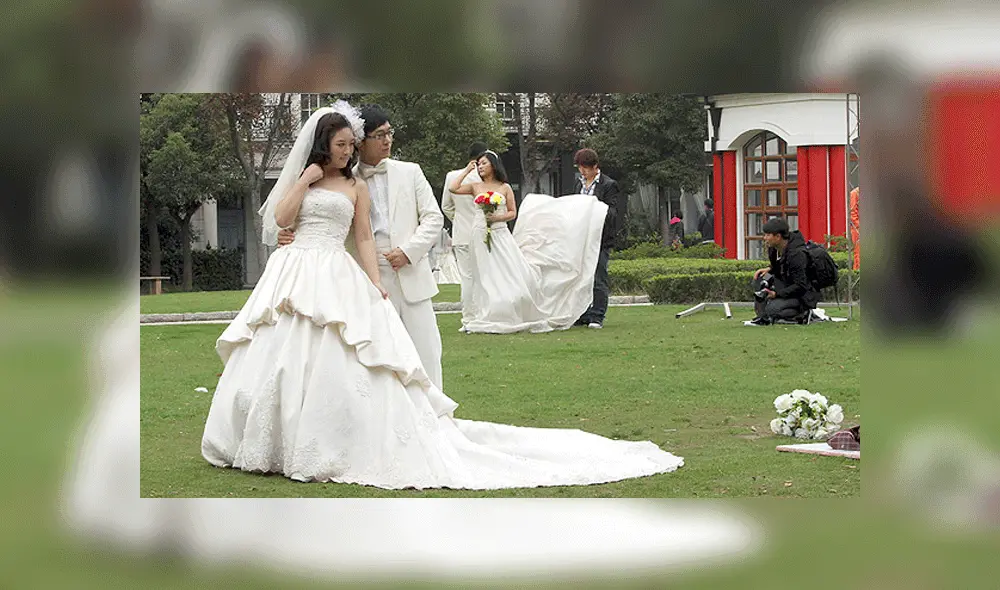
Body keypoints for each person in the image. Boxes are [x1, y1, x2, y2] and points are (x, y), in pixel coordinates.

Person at [201, 103, 684, 488]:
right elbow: (287, 221)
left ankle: (428, 426)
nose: (377, 145)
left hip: (394, 275)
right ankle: (315, 432)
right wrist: (299, 227)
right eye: (371, 138)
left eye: (376, 138)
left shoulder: (404, 173)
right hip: (328, 276)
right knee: (316, 361)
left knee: (419, 359)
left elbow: (430, 219)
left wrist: (406, 254)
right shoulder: (323, 178)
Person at [276, 104, 445, 390]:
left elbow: (433, 217)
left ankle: (436, 419)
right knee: (373, 357)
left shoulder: (410, 172)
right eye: (379, 135)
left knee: (426, 353)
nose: (387, 141)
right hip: (360, 276)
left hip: (410, 272)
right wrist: (289, 233)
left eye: (389, 133)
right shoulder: (341, 177)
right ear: (360, 142)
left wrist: (408, 251)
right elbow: (326, 225)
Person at [447, 150, 609, 334]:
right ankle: (485, 312)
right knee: (482, 273)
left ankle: (508, 308)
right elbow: (453, 188)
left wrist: (496, 218)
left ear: (493, 165)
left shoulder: (505, 188)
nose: (480, 167)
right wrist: (467, 171)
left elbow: (511, 213)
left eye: (484, 163)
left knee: (505, 270)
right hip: (479, 233)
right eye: (479, 164)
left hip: (499, 233)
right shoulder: (475, 186)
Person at [571, 148, 622, 329]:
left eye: (585, 167)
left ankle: (597, 315)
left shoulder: (608, 185)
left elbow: (613, 212)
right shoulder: (579, 184)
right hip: (582, 238)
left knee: (599, 276)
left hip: (600, 238)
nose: (582, 171)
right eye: (580, 168)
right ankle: (583, 313)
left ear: (595, 166)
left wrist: (594, 209)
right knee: (581, 276)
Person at [441, 142, 486, 332]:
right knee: (481, 277)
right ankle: (481, 315)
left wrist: (458, 219)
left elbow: (446, 206)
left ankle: (468, 319)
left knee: (467, 278)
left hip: (462, 233)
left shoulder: (453, 177)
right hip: (482, 232)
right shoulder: (485, 178)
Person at [748, 217, 820, 326]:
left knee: (773, 309)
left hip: (802, 295)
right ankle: (762, 317)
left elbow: (801, 285)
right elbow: (781, 266)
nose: (764, 238)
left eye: (768, 235)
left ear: (778, 237)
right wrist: (770, 269)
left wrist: (777, 294)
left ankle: (803, 313)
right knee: (761, 278)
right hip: (785, 287)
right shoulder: (773, 249)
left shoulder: (796, 255)